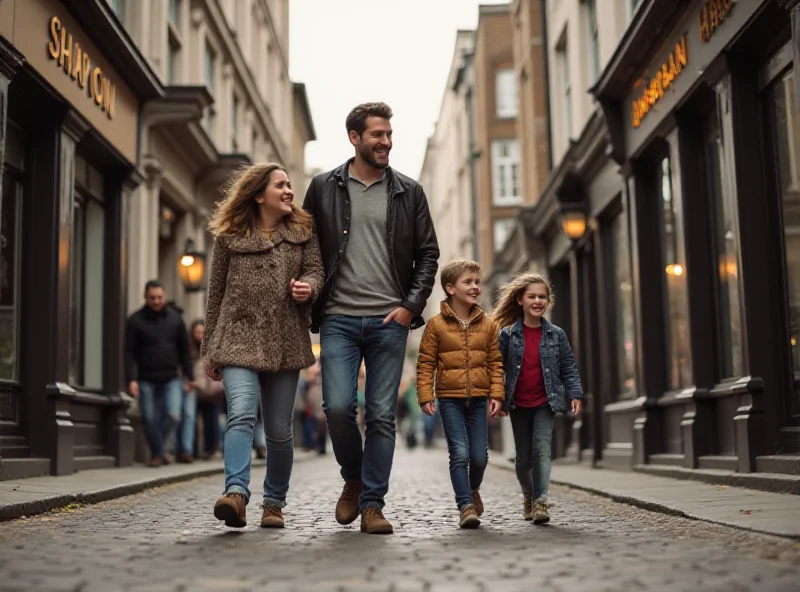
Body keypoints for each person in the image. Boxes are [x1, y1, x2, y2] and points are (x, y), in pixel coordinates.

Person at [303, 102, 439, 535]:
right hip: (338, 318)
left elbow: (428, 255)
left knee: (381, 414)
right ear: (354, 137)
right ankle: (354, 477)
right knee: (339, 407)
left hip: (389, 321)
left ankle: (373, 504)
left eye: (389, 134)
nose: (386, 141)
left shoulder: (408, 191)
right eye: (377, 134)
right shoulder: (323, 187)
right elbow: (304, 247)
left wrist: (409, 307)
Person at [202, 162, 324, 529]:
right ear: (258, 195)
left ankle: (274, 502)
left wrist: (309, 287)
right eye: (280, 185)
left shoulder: (304, 232)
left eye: (289, 184)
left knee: (278, 430)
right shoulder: (229, 237)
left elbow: (316, 270)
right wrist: (210, 348)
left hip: (285, 339)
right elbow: (215, 294)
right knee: (240, 413)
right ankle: (236, 494)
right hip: (236, 338)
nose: (289, 191)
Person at [416, 260, 504, 529]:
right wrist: (425, 395)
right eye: (469, 282)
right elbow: (425, 363)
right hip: (449, 399)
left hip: (479, 398)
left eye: (477, 282)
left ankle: (472, 487)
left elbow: (495, 362)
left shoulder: (488, 325)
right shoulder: (435, 326)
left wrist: (497, 394)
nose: (475, 287)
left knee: (480, 456)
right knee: (460, 453)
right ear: (450, 288)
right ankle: (465, 505)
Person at [495, 273, 584, 525]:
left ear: (548, 301)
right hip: (518, 403)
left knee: (541, 451)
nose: (537, 301)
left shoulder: (556, 334)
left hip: (546, 401)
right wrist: (498, 398)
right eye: (532, 296)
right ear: (520, 300)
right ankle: (528, 495)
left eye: (542, 297)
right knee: (523, 457)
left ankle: (541, 501)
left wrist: (575, 393)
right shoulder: (507, 335)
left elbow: (568, 365)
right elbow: (496, 369)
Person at [125, 281, 193, 467]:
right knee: (148, 417)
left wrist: (189, 377)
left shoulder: (175, 319)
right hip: (146, 377)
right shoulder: (135, 321)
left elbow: (185, 350)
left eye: (159, 297)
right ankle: (157, 454)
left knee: (173, 415)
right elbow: (129, 353)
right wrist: (131, 379)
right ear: (145, 298)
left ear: (164, 297)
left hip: (171, 377)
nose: (156, 301)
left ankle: (160, 447)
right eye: (152, 298)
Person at [188, 321, 225, 460]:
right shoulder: (190, 350)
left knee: (212, 422)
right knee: (192, 420)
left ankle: (211, 449)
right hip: (195, 390)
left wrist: (218, 386)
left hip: (213, 392)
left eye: (202, 332)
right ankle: (193, 450)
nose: (200, 335)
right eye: (197, 332)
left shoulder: (215, 349)